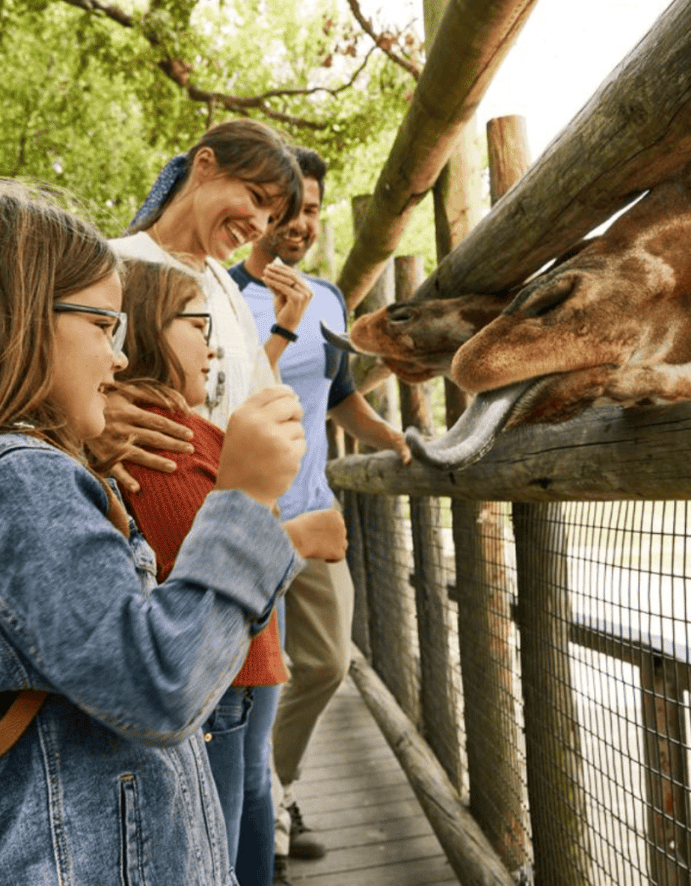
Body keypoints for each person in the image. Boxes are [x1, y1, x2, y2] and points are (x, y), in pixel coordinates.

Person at [0, 180, 306, 886]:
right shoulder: (18, 477)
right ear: (12, 319)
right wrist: (243, 497)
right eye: (101, 326)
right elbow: (158, 683)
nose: (119, 360)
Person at [114, 258, 346, 885]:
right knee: (220, 831)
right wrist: (299, 534)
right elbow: (197, 558)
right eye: (196, 325)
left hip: (242, 668)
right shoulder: (158, 445)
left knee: (248, 798)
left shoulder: (178, 427)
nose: (214, 348)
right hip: (221, 681)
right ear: (139, 333)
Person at [228, 147, 411, 884]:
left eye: (312, 210)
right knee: (255, 678)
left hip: (316, 508)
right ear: (261, 209)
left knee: (329, 662)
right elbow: (225, 402)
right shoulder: (219, 292)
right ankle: (260, 808)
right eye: (289, 209)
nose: (301, 224)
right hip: (246, 521)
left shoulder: (329, 297)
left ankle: (277, 782)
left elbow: (337, 396)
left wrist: (393, 439)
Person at [97, 119, 314, 490]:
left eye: (272, 218)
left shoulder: (228, 292)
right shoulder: (112, 266)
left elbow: (249, 398)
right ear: (204, 165)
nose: (260, 227)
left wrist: (284, 329)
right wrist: (94, 421)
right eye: (257, 199)